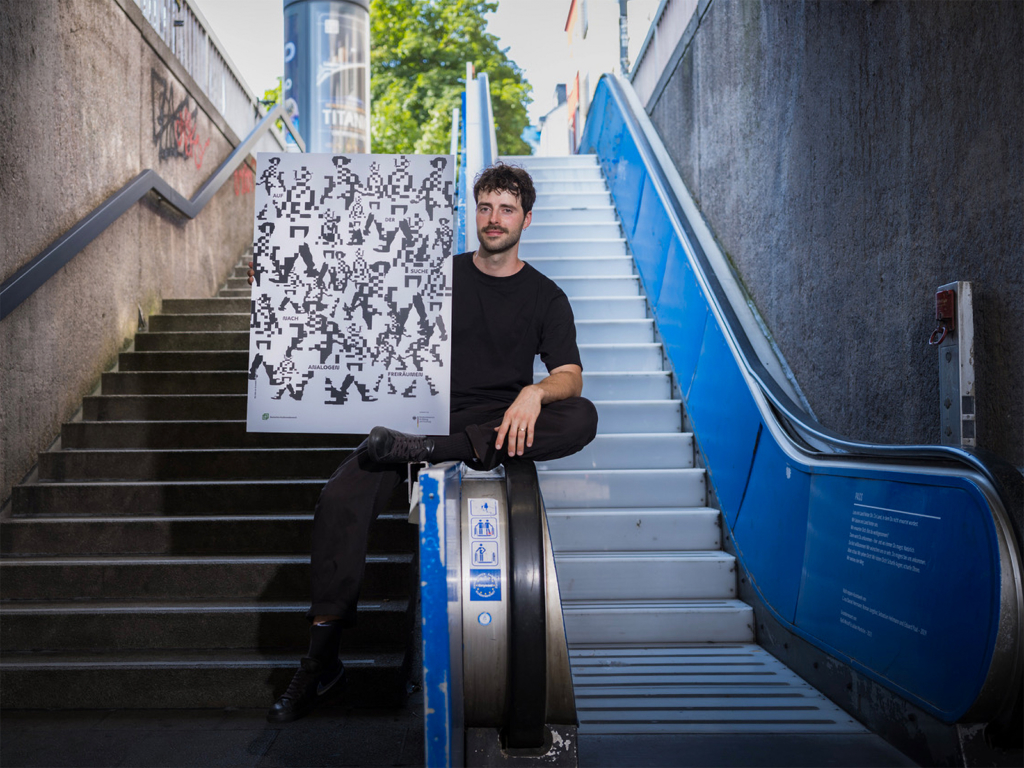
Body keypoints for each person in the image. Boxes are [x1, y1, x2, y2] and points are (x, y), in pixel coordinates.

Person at [251, 163, 598, 722]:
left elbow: (570, 376)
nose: (494, 218)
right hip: (418, 416)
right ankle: (320, 662)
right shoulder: (437, 274)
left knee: (581, 416)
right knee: (339, 497)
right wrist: (281, 284)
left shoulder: (546, 296)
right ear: (474, 213)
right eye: (485, 207)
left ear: (526, 219)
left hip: (495, 421)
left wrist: (535, 392)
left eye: (507, 209)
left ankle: (435, 452)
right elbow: (352, 301)